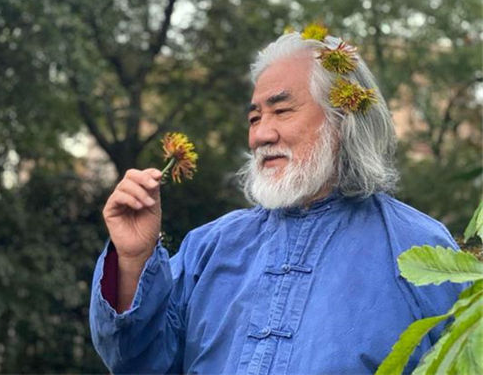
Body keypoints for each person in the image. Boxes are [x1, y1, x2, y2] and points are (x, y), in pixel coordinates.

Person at [89, 29, 465, 374]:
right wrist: (134, 260)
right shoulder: (210, 248)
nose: (260, 136)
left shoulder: (419, 249)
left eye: (281, 111)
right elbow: (138, 361)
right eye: (255, 118)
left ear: (342, 118)